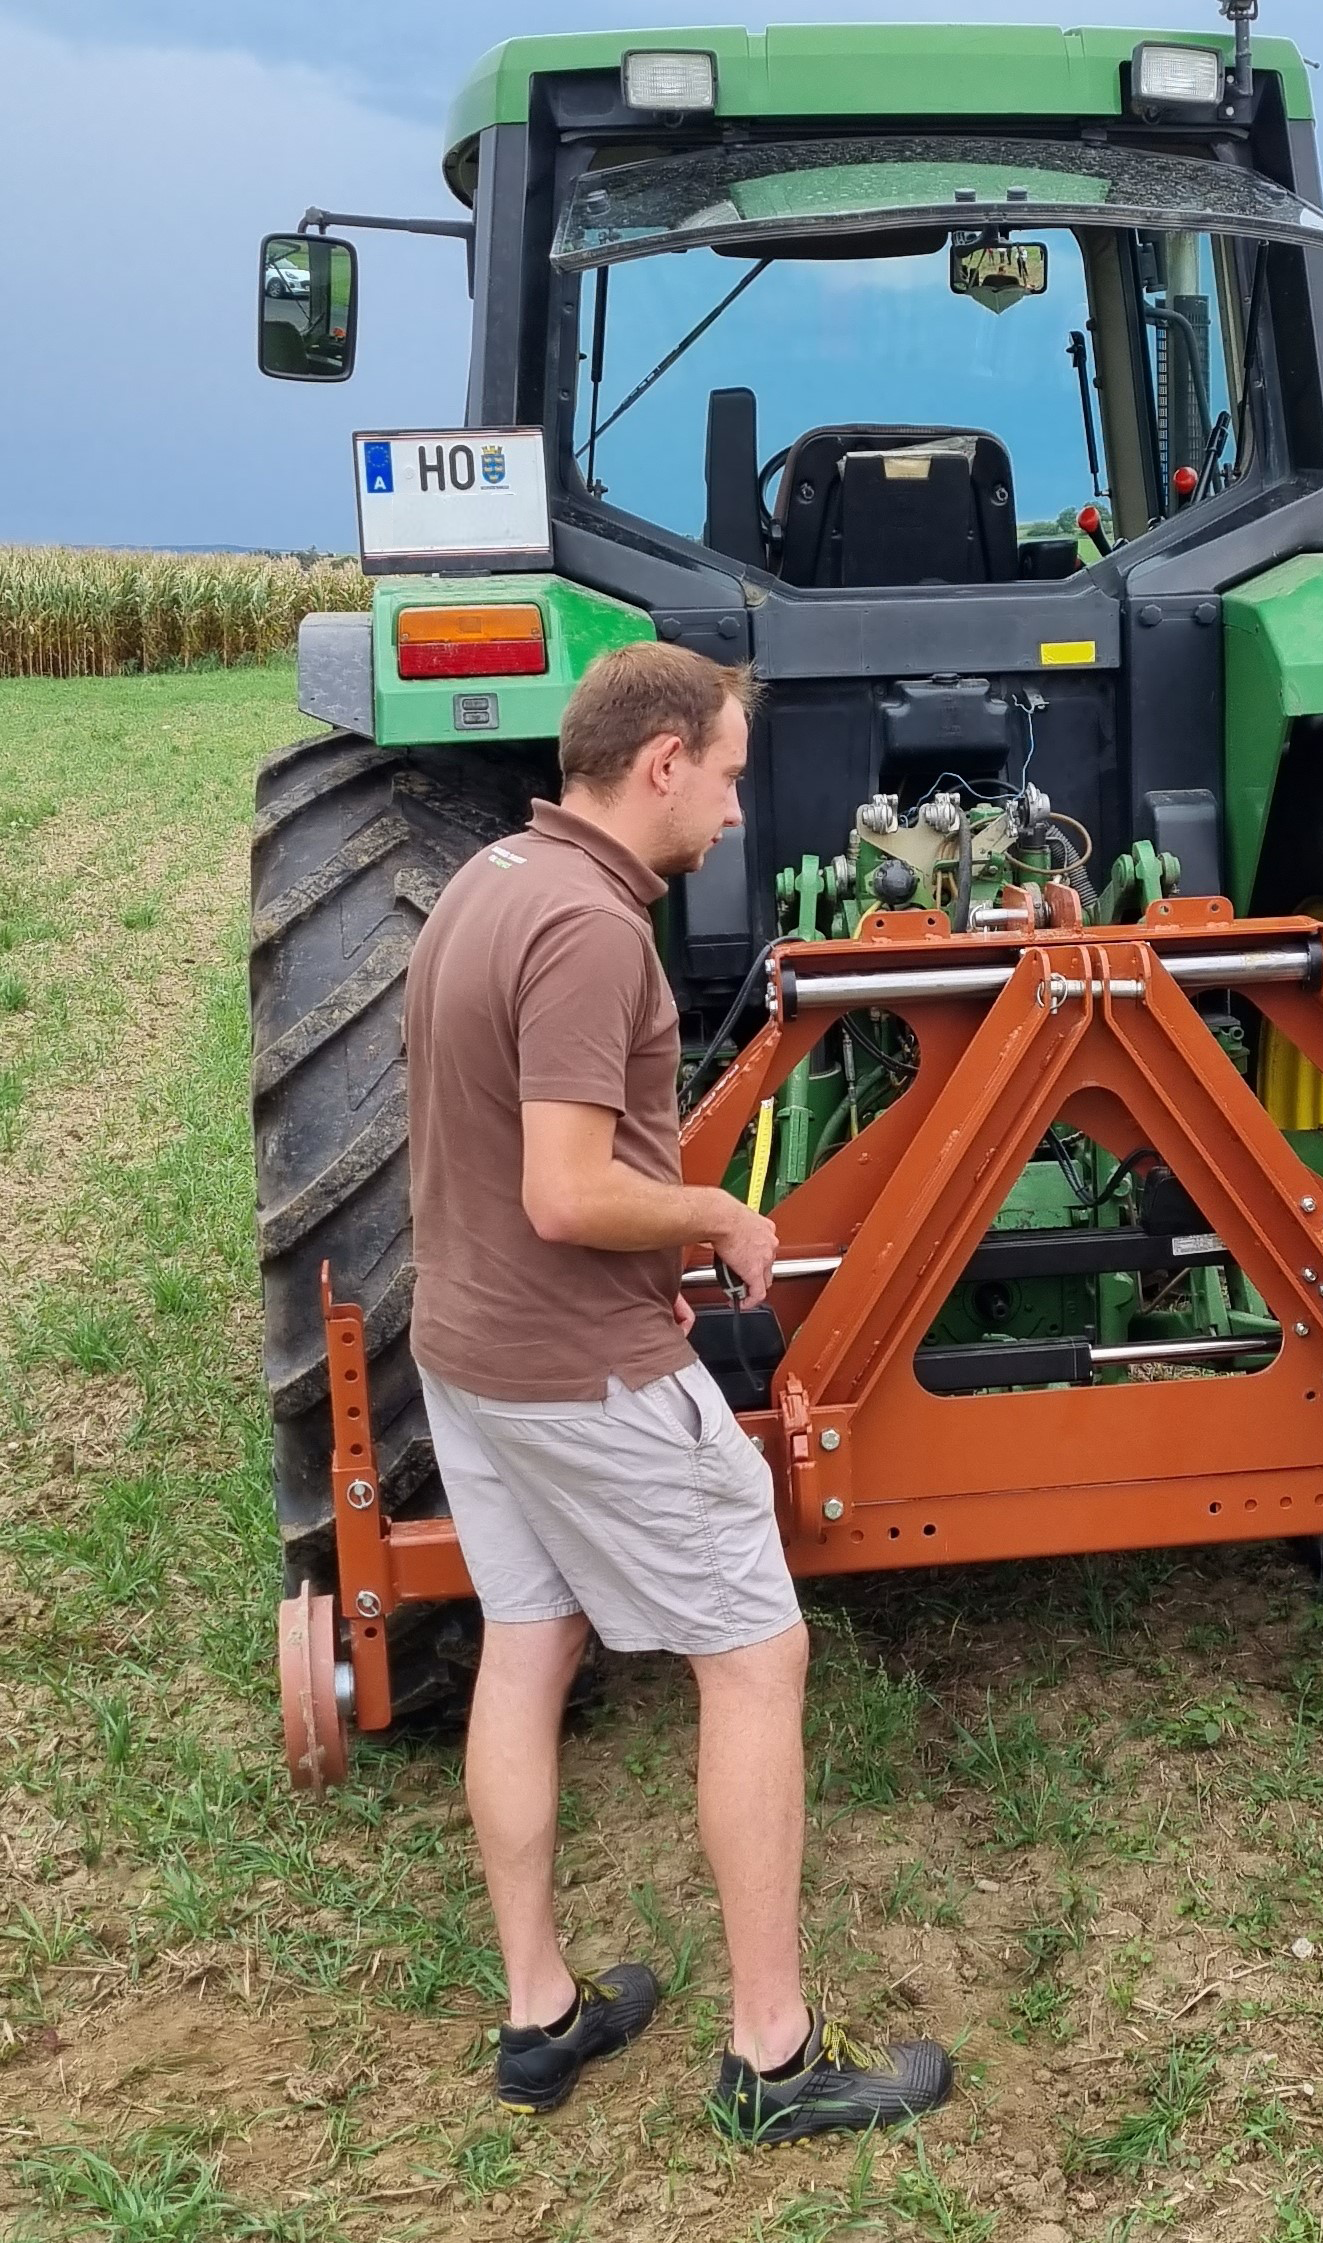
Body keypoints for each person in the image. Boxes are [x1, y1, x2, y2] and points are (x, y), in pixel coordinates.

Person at [404, 641, 954, 2141]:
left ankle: (540, 2013)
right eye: (722, 776)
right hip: (584, 1364)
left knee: (527, 1641)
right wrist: (717, 1218)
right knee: (757, 1656)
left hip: (466, 1352)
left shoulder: (481, 881)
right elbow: (571, 1192)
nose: (731, 812)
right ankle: (774, 2055)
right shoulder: (589, 930)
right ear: (658, 760)